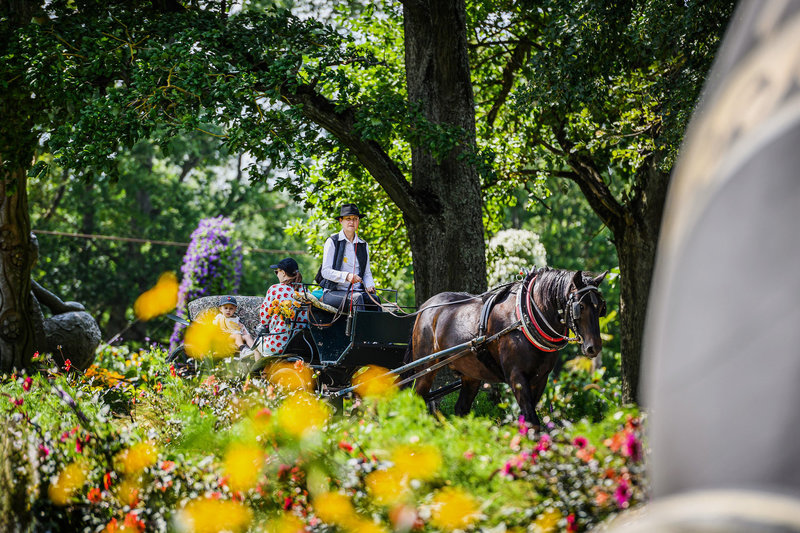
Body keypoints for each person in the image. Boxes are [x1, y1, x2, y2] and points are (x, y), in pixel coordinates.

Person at [318, 204, 381, 312]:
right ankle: (359, 330)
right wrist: (347, 276)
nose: (352, 222)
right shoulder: (332, 241)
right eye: (348, 219)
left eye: (355, 219)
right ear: (341, 221)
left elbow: (366, 273)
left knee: (375, 299)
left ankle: (376, 329)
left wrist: (370, 285)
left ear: (358, 222)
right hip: (333, 292)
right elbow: (325, 272)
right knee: (356, 299)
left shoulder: (363, 244)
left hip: (358, 292)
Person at [258, 257, 309, 356]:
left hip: (279, 343)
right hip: (302, 344)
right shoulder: (305, 290)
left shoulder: (275, 289)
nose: (277, 275)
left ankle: (260, 372)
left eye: (277, 272)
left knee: (256, 346)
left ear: (283, 273)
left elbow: (264, 318)